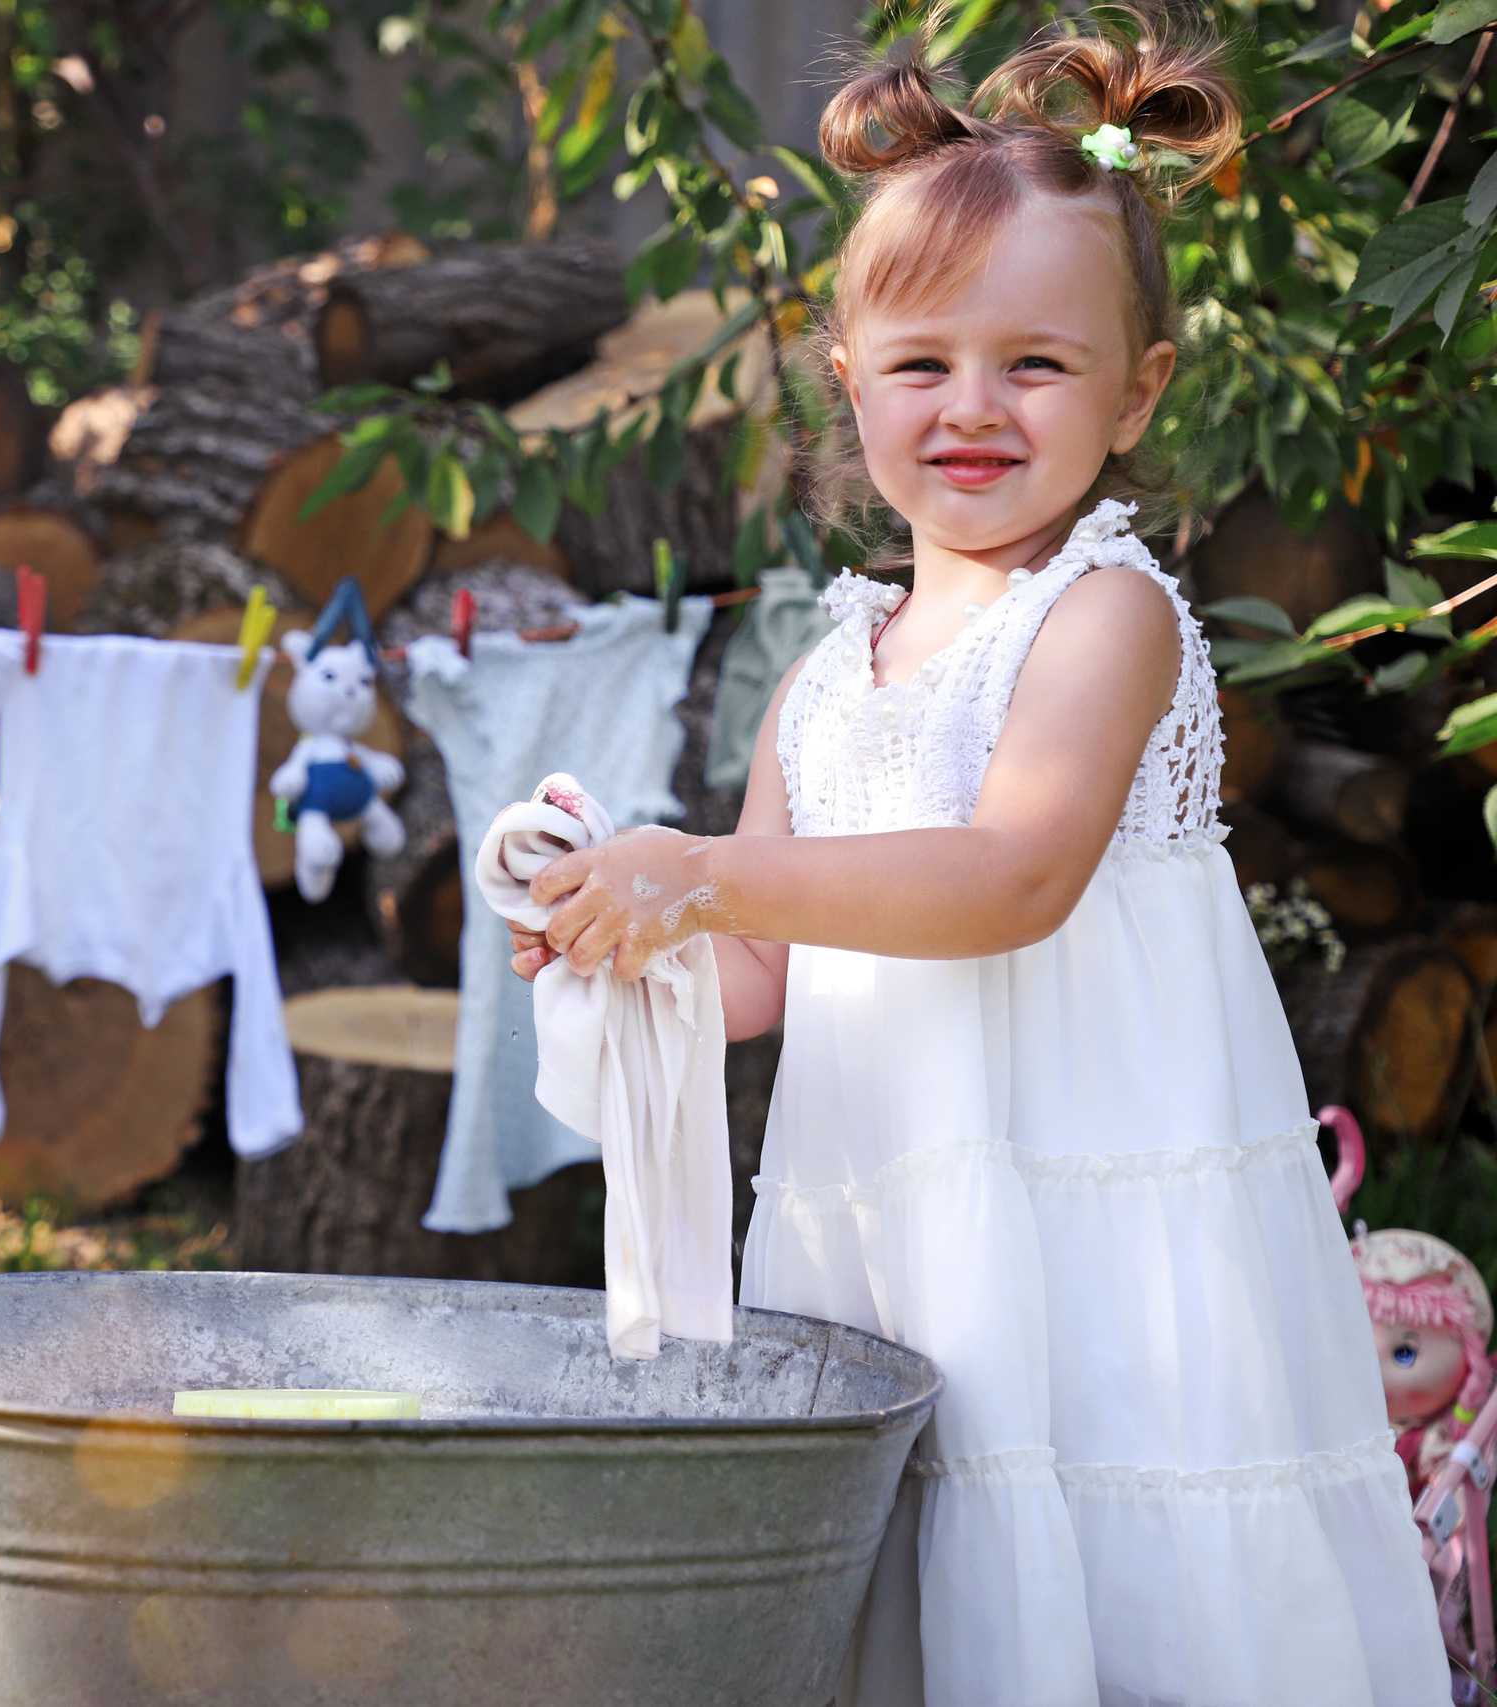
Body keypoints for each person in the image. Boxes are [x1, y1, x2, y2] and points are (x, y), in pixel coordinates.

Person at [509, 23, 1444, 1706]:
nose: (973, 406)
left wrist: (700, 871)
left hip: (1096, 1224)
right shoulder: (823, 676)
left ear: (1136, 389)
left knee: (1122, 1557)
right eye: (923, 362)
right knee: (931, 1573)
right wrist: (622, 929)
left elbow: (1013, 877)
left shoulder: (1102, 615)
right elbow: (757, 971)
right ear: (848, 381)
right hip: (901, 1229)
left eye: (1036, 363)